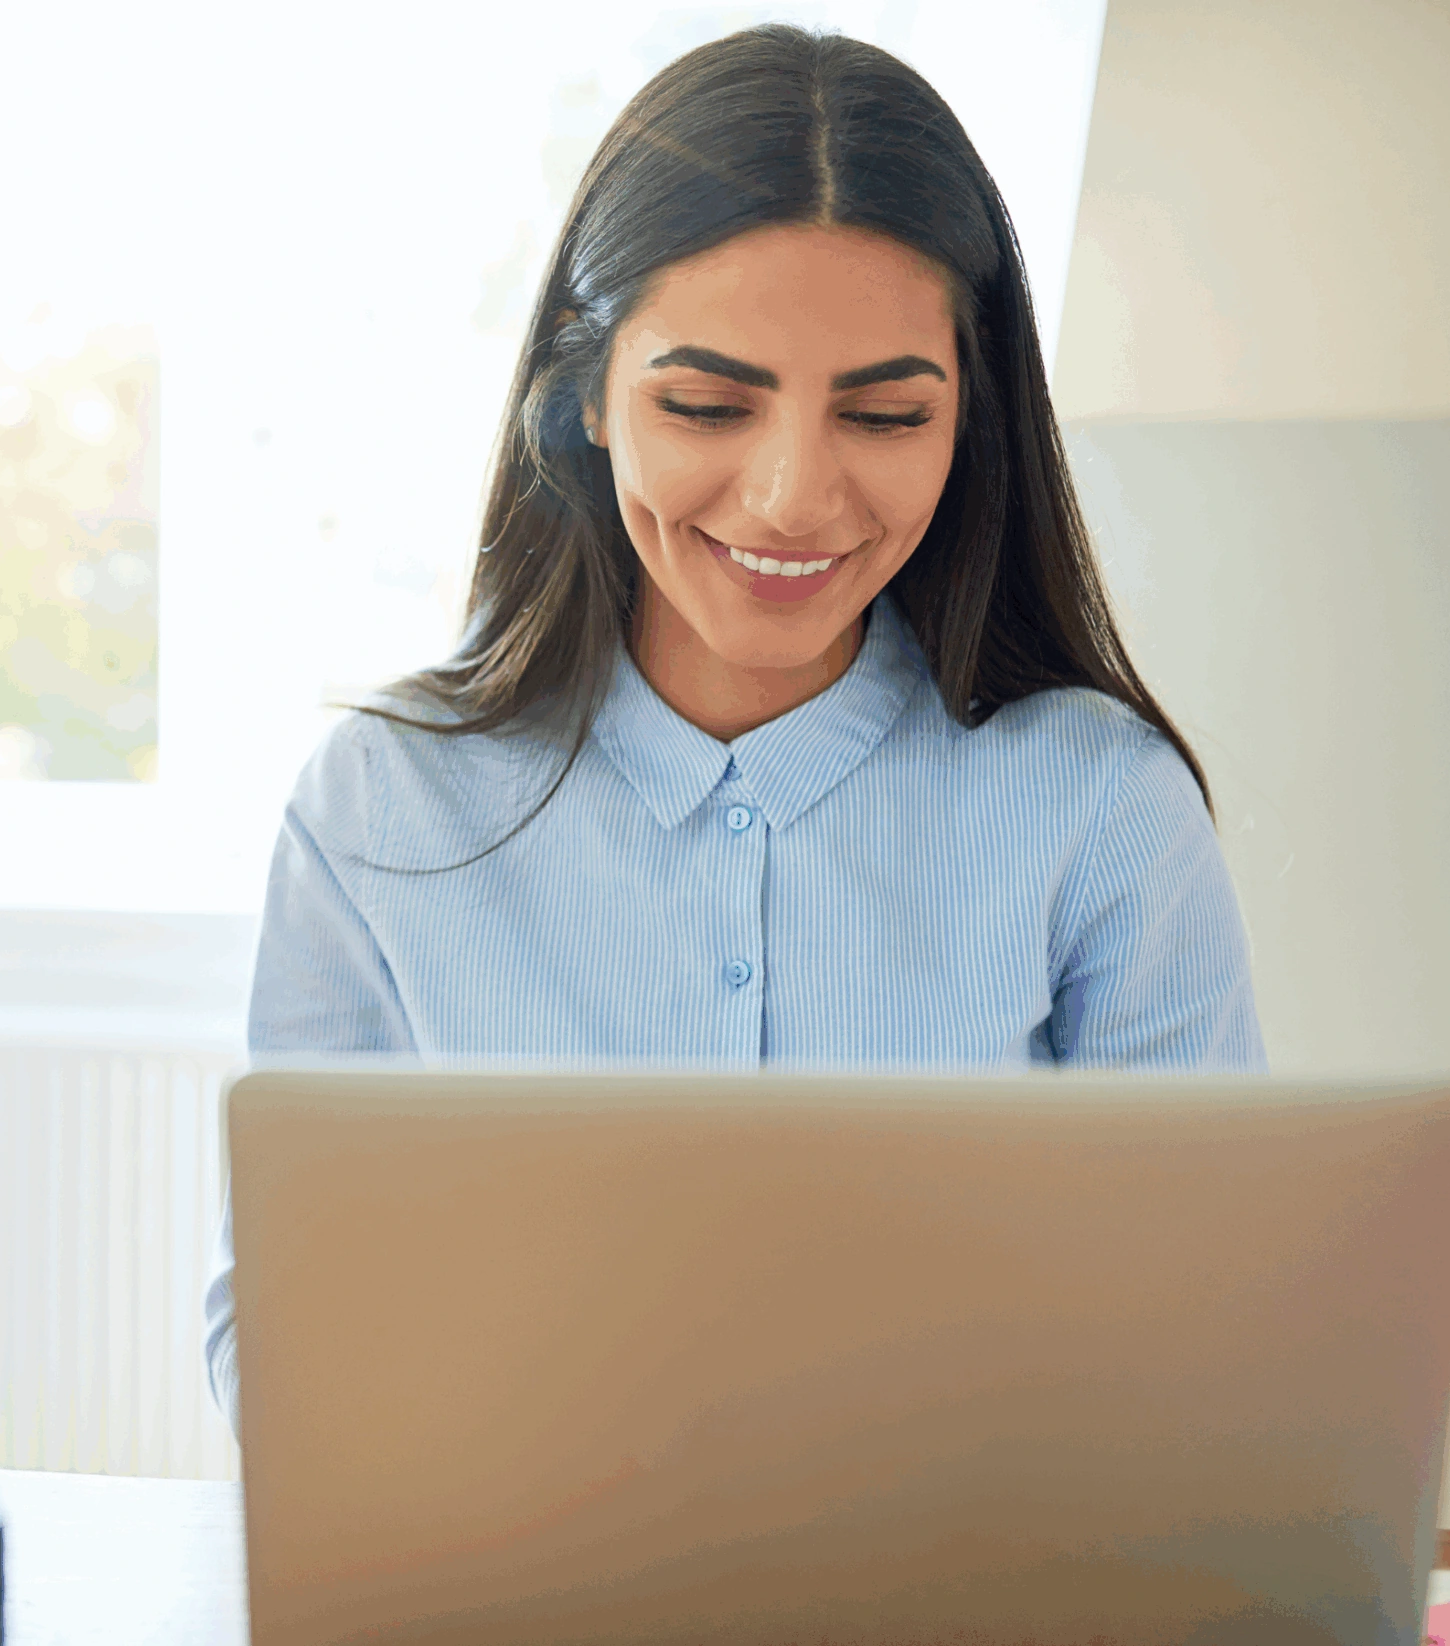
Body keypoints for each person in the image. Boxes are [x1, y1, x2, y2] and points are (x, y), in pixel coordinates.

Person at [204, 24, 1262, 1428]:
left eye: (885, 415)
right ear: (582, 396)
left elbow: (1214, 1320)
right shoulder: (382, 806)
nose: (790, 499)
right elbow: (283, 1333)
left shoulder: (1100, 806)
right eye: (707, 402)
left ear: (970, 425)